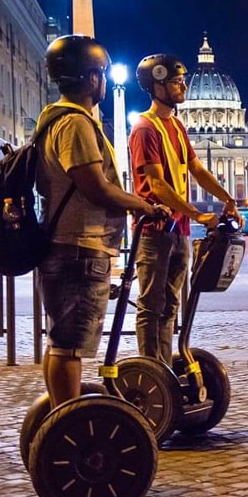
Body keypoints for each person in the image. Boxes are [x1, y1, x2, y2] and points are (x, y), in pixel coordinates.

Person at [36, 35, 168, 409]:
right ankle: (68, 423)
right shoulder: (75, 124)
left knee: (60, 343)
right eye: (103, 74)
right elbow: (95, 187)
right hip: (80, 247)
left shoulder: (52, 119)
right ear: (91, 77)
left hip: (66, 246)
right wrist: (142, 205)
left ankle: (60, 415)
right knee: (69, 347)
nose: (105, 82)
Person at [130, 53, 240, 364]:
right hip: (155, 230)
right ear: (158, 86)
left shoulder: (177, 126)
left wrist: (227, 198)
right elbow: (156, 185)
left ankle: (163, 367)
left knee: (170, 305)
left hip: (179, 229)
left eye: (182, 81)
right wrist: (199, 214)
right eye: (177, 82)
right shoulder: (145, 128)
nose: (183, 87)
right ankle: (151, 370)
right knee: (151, 306)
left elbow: (197, 169)